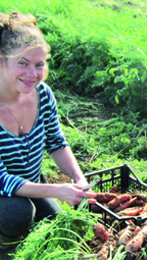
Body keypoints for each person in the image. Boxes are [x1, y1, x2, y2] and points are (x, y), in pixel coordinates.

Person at [0, 12, 96, 254]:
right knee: (18, 214)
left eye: (39, 64)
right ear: (2, 61)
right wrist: (57, 191)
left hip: (31, 184)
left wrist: (78, 178)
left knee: (56, 226)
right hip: (5, 194)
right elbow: (2, 180)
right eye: (22, 63)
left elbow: (56, 143)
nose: (33, 75)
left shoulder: (43, 94)